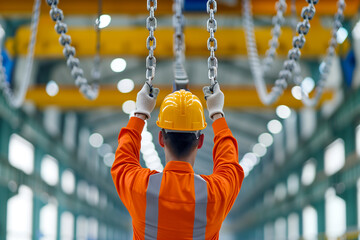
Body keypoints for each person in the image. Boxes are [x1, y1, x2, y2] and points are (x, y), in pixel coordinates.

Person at [111, 82, 244, 240]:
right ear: (201, 141)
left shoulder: (140, 188)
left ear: (161, 139)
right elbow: (229, 165)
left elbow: (123, 162)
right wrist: (217, 114)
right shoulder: (216, 194)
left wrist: (140, 113)